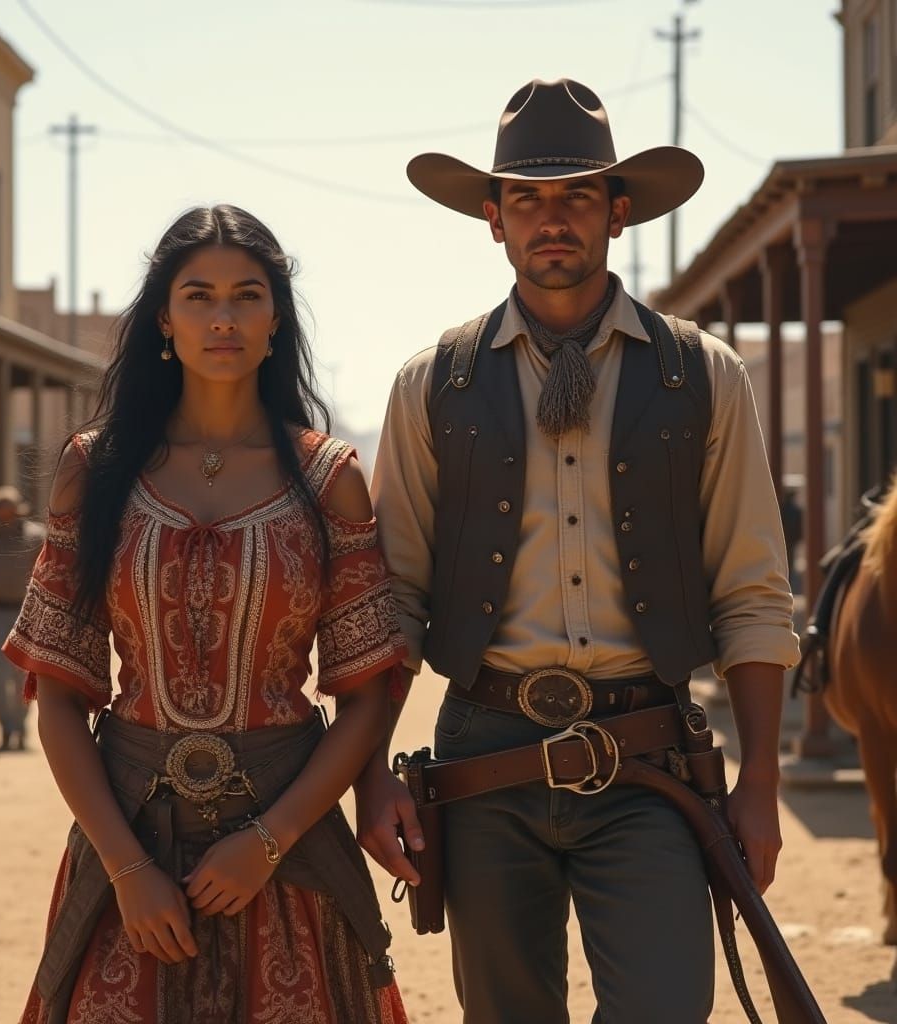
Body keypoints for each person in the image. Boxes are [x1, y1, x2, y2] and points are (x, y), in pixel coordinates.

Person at [357, 79, 801, 1024]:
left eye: (577, 196)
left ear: (618, 211)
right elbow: (389, 600)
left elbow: (753, 590)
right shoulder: (433, 384)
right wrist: (369, 772)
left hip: (649, 756)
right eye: (526, 198)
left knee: (665, 1008)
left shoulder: (702, 375)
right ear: (493, 219)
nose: (550, 219)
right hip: (484, 757)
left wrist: (760, 780)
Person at [3, 205, 410, 1024]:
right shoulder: (94, 470)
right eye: (198, 296)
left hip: (290, 856)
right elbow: (58, 699)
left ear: (275, 317)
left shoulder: (328, 479)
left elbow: (367, 699)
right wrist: (127, 870)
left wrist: (267, 842)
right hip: (128, 846)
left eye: (247, 296)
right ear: (165, 317)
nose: (223, 318)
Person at [0, 484, 46, 751]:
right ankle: (5, 728)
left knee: (24, 675)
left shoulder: (37, 538)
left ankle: (20, 726)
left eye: (9, 510)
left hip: (28, 613)